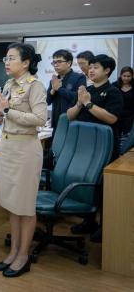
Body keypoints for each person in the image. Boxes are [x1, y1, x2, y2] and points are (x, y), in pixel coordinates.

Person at [0, 43, 47, 278]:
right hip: (8, 148)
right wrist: (0, 111)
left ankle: (24, 255)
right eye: (6, 58)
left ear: (25, 63)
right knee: (12, 204)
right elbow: (1, 115)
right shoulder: (8, 84)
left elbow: (40, 119)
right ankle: (13, 251)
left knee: (25, 205)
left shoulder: (35, 85)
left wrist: (7, 111)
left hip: (26, 150)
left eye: (12, 58)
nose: (7, 62)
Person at [66, 54, 123, 241]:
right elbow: (70, 116)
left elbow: (111, 118)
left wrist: (88, 103)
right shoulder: (87, 91)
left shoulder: (113, 92)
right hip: (84, 146)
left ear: (107, 70)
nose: (90, 70)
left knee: (103, 188)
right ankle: (88, 221)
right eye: (90, 67)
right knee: (86, 185)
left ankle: (104, 227)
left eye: (95, 67)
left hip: (104, 148)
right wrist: (80, 102)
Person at [46, 49, 85, 131]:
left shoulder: (79, 77)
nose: (56, 65)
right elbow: (47, 101)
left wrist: (59, 89)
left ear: (68, 63)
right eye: (54, 62)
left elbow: (78, 98)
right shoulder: (54, 80)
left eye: (59, 62)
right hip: (56, 123)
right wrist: (53, 90)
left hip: (72, 123)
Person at [113, 66, 134, 137]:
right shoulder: (114, 85)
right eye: (124, 76)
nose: (126, 78)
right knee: (116, 135)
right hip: (116, 115)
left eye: (129, 76)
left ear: (132, 76)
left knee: (127, 137)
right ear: (121, 75)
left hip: (130, 116)